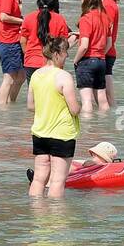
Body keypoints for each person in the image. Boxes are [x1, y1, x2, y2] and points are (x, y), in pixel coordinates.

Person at [27, 36, 82, 198]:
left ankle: (36, 213)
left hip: (40, 133)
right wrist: (81, 106)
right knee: (57, 181)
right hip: (61, 135)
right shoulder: (64, 76)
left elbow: (30, 106)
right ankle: (56, 220)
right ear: (57, 54)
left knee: (38, 179)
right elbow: (74, 109)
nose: (67, 56)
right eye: (65, 53)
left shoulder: (36, 75)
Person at [0, 0, 33, 105]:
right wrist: (22, 21)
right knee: (9, 78)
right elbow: (3, 16)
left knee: (22, 75)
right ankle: (2, 108)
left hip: (16, 38)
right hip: (7, 40)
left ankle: (12, 104)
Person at [73, 0, 112, 116]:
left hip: (87, 61)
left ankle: (88, 129)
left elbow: (84, 45)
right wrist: (100, 55)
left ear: (86, 0)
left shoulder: (85, 19)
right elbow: (109, 43)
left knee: (86, 101)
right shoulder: (105, 17)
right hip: (101, 61)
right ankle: (103, 125)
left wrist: (75, 60)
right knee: (102, 99)